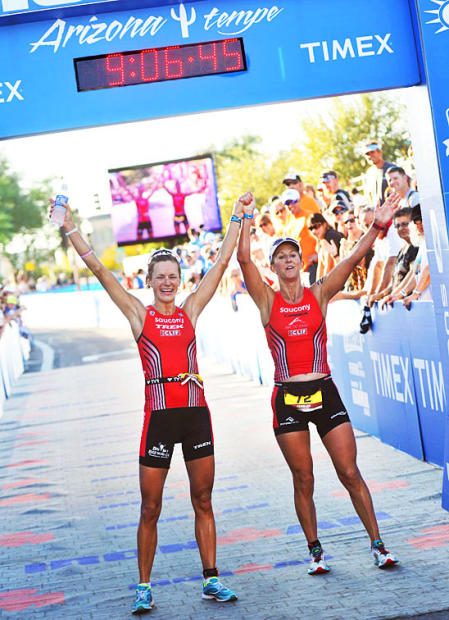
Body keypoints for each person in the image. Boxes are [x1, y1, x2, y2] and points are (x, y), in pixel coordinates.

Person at [49, 195, 245, 614]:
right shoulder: (140, 315)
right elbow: (99, 270)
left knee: (203, 500)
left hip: (196, 415)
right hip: (158, 419)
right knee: (150, 507)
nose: (168, 283)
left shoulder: (191, 309)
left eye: (173, 276)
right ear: (151, 280)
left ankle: (211, 578)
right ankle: (143, 586)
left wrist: (236, 215)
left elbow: (222, 261)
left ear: (180, 279)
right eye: (161, 278)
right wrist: (69, 227)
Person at [237, 190, 401, 575]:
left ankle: (378, 545)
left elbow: (352, 258)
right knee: (304, 478)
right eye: (281, 256)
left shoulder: (319, 293)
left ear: (300, 260)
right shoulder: (266, 300)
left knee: (349, 473)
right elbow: (243, 259)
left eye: (293, 255)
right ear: (273, 266)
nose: (288, 260)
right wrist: (244, 218)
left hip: (324, 391)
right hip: (287, 397)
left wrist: (377, 226)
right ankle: (315, 551)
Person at [308, 213, 344, 279]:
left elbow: (329, 266)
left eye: (316, 226)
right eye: (311, 228)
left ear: (324, 224)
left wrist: (324, 284)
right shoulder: (321, 240)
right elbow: (321, 268)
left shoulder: (330, 236)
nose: (314, 231)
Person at [364, 141, 396, 206]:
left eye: (372, 152)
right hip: (377, 210)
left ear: (380, 152)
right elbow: (369, 195)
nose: (370, 156)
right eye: (367, 154)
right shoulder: (369, 173)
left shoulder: (392, 168)